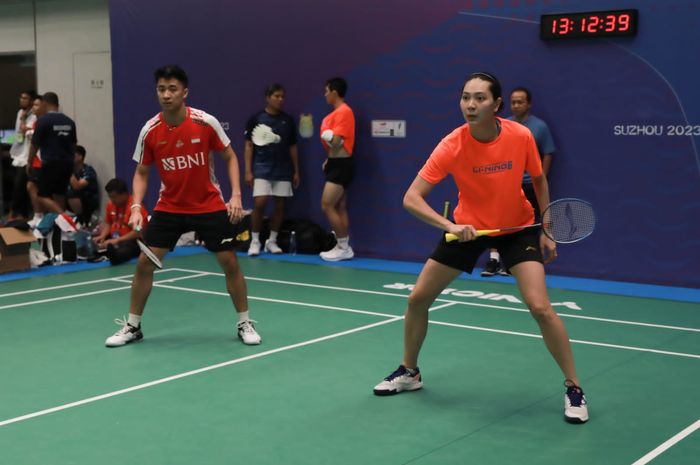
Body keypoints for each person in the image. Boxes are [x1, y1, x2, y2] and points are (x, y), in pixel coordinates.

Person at [372, 72, 588, 424]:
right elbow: (411, 198)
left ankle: (574, 387)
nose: (470, 105)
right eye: (465, 97)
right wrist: (450, 226)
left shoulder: (521, 136)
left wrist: (547, 229)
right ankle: (410, 371)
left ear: (497, 105)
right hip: (469, 227)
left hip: (517, 228)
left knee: (540, 307)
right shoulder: (452, 144)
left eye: (480, 98)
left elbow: (539, 178)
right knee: (417, 298)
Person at [105, 65, 262, 347]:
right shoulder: (150, 130)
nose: (166, 95)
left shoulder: (204, 122)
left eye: (172, 89)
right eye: (161, 89)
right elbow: (142, 172)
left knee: (229, 261)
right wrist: (137, 205)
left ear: (184, 92)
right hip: (170, 206)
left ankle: (244, 322)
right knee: (144, 264)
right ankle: (132, 326)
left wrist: (236, 195)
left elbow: (230, 156)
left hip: (208, 204)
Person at [482, 86, 556, 277]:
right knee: (496, 220)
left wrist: (540, 177)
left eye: (520, 102)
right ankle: (494, 260)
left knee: (524, 224)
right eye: (513, 102)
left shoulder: (539, 127)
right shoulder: (502, 124)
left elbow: (548, 153)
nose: (516, 105)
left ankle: (513, 262)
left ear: (528, 104)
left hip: (530, 184)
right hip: (506, 185)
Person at [244, 83, 300, 256]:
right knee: (260, 203)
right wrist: (248, 170)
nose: (280, 100)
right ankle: (254, 241)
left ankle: (272, 241)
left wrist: (296, 170)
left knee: (280, 205)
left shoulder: (288, 120)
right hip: (261, 167)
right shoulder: (256, 119)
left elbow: (292, 147)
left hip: (283, 168)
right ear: (268, 98)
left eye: (282, 96)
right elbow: (248, 146)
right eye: (277, 96)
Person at [27, 91, 78, 229]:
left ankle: (66, 218)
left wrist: (29, 161)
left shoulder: (43, 121)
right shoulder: (70, 122)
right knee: (59, 194)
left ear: (45, 103)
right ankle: (62, 228)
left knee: (42, 195)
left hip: (51, 163)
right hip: (67, 163)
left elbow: (34, 144)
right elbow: (74, 145)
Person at [318, 77, 356, 261]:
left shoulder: (344, 112)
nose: (325, 95)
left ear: (334, 92)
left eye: (326, 91)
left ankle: (343, 246)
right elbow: (333, 146)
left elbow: (337, 141)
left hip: (342, 166)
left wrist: (329, 136)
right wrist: (329, 159)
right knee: (339, 206)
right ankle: (343, 246)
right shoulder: (332, 115)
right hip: (334, 163)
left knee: (327, 204)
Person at [91, 178, 146, 265]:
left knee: (128, 247)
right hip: (115, 238)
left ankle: (116, 257)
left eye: (114, 197)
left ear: (124, 194)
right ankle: (104, 253)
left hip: (132, 241)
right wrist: (102, 236)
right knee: (97, 242)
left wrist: (118, 240)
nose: (112, 200)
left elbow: (138, 231)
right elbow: (108, 223)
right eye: (110, 197)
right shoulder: (110, 205)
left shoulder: (135, 209)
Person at [8, 90, 36, 220]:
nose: (22, 100)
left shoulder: (35, 115)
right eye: (21, 97)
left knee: (20, 184)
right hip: (19, 154)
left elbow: (29, 133)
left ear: (31, 101)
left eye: (25, 98)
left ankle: (16, 212)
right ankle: (21, 214)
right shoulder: (19, 113)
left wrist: (25, 124)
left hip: (30, 155)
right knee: (19, 185)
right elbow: (19, 136)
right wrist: (22, 121)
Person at [67, 145, 99, 226]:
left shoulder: (88, 170)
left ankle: (82, 221)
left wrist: (69, 170)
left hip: (87, 200)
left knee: (72, 193)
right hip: (71, 200)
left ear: (80, 157)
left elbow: (77, 186)